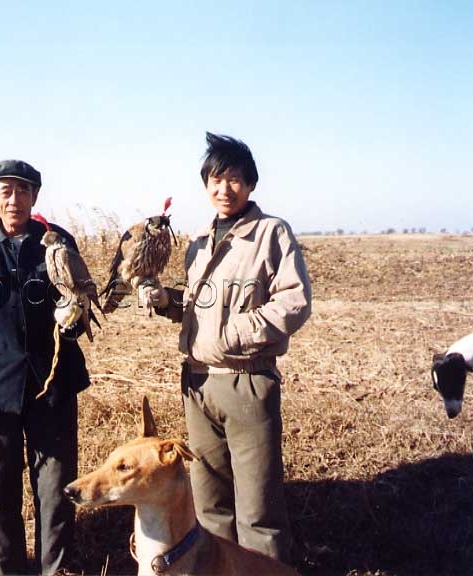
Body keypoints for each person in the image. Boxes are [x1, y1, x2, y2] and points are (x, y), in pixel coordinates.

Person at [140, 133, 311, 563]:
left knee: (258, 510)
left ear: (250, 184)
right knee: (209, 505)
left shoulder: (271, 233)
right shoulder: (198, 243)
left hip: (247, 382)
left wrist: (233, 335)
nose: (224, 189)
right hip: (197, 385)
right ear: (205, 186)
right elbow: (202, 309)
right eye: (215, 180)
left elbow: (294, 302)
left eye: (234, 179)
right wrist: (168, 302)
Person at [0, 159, 91, 575]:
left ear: (35, 198)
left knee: (56, 490)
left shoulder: (58, 241)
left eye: (23, 191)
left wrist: (74, 316)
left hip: (52, 386)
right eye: (6, 191)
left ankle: (55, 570)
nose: (15, 200)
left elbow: (79, 312)